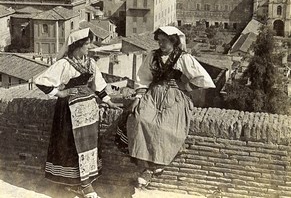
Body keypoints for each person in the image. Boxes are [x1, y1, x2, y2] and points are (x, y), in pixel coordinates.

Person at [115, 26, 215, 187]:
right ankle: (147, 166)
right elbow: (143, 78)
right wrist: (138, 97)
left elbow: (204, 78)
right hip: (153, 95)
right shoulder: (152, 56)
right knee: (140, 119)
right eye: (159, 41)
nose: (160, 44)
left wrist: (185, 86)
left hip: (175, 97)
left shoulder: (183, 58)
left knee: (167, 127)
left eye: (164, 41)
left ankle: (156, 165)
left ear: (173, 41)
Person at [35, 28, 120, 198]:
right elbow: (40, 81)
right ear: (77, 46)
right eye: (87, 44)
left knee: (88, 146)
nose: (90, 47)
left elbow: (99, 86)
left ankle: (84, 182)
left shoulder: (90, 63)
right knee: (72, 146)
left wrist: (109, 102)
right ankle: (82, 185)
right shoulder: (64, 64)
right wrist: (61, 93)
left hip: (88, 111)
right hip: (69, 112)